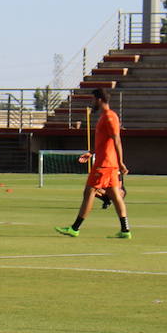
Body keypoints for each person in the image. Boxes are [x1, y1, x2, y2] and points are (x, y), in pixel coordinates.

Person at [57, 88, 131, 239]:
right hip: (108, 163)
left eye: (92, 99)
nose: (91, 102)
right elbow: (104, 141)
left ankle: (74, 228)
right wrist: (91, 152)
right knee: (115, 196)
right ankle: (125, 230)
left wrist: (121, 162)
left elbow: (116, 139)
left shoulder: (109, 117)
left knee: (89, 192)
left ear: (99, 100)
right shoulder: (105, 116)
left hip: (104, 164)